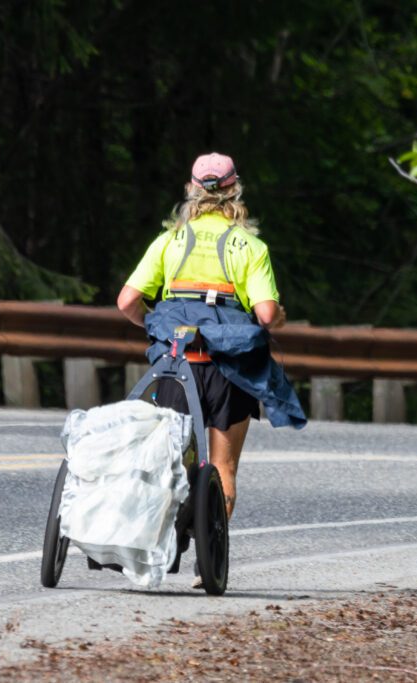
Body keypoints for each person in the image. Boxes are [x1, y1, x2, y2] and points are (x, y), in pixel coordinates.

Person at [117, 152, 303, 587]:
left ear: (191, 190)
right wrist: (279, 319)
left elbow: (127, 301)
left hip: (176, 365)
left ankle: (157, 544)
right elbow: (264, 313)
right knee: (223, 468)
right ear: (235, 189)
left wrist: (157, 325)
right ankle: (208, 561)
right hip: (227, 371)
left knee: (165, 460)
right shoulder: (250, 248)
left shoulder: (168, 242)